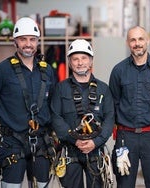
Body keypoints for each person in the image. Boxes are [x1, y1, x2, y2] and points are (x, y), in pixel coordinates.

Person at [0, 17, 56, 188]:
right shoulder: (1, 71)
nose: (28, 44)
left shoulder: (48, 70)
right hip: (12, 142)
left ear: (37, 42)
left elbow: (53, 101)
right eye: (23, 39)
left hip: (41, 141)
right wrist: (7, 116)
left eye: (32, 39)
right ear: (15, 42)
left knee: (42, 185)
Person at [109, 26, 150, 188]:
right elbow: (113, 104)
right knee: (124, 184)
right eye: (133, 40)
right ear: (127, 43)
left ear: (148, 41)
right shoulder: (118, 71)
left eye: (141, 39)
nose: (137, 43)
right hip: (126, 138)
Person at [50, 39, 115, 188]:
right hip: (70, 151)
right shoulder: (61, 88)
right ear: (69, 62)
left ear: (91, 61)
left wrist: (95, 142)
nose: (80, 63)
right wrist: (75, 141)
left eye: (84, 58)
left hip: (96, 151)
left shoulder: (103, 89)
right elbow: (55, 117)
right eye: (75, 59)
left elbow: (110, 119)